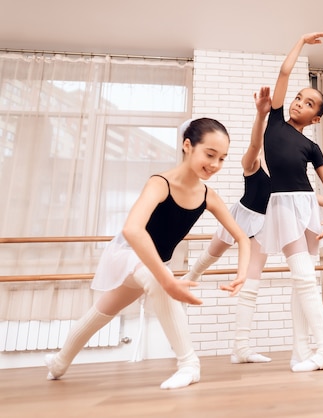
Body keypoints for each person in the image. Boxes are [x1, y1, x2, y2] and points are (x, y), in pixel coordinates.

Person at [45, 118, 251, 389]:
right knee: (159, 280)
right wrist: (166, 280)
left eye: (222, 159)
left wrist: (242, 273)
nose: (215, 165)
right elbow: (132, 229)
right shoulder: (160, 183)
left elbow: (241, 237)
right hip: (126, 254)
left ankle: (59, 363)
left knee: (97, 315)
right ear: (187, 146)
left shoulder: (207, 195)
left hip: (151, 265)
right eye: (210, 154)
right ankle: (190, 364)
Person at [183, 87, 323, 365]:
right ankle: (190, 276)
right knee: (212, 253)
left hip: (265, 223)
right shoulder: (254, 162)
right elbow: (255, 146)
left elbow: (311, 196)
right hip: (243, 215)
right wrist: (261, 116)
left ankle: (241, 348)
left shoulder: (288, 171)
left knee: (251, 282)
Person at [252, 31, 323, 373]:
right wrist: (301, 42)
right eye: (299, 98)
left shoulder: (311, 146)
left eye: (307, 103)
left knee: (305, 279)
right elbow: (285, 73)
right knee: (301, 278)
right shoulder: (274, 121)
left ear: (315, 119)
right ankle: (309, 350)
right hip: (282, 205)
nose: (298, 102)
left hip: (306, 205)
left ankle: (317, 350)